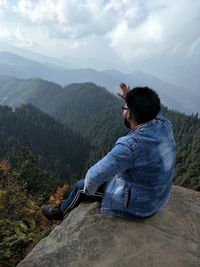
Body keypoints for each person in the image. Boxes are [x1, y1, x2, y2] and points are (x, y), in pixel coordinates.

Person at [42, 83, 176, 221]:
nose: (123, 111)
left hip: (140, 205)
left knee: (80, 186)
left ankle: (59, 213)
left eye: (125, 108)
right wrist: (129, 99)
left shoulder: (129, 146)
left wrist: (93, 190)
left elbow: (92, 179)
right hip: (160, 195)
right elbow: (150, 113)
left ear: (129, 113)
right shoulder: (164, 125)